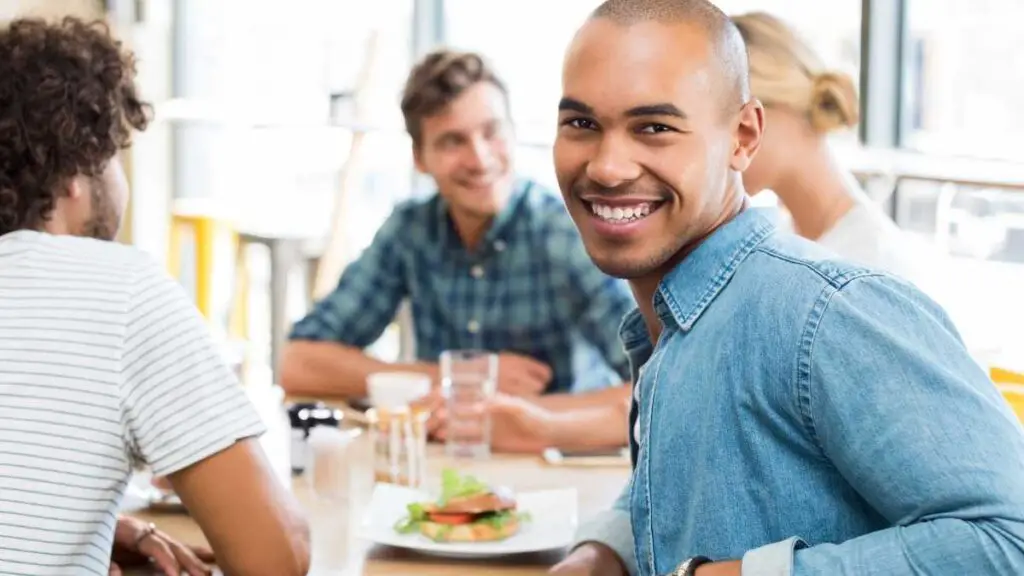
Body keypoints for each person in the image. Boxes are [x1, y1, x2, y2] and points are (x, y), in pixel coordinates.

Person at [545, 1, 1024, 575]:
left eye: (655, 128)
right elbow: (693, 487)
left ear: (743, 136)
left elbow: (1007, 540)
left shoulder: (826, 312)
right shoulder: (687, 316)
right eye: (582, 124)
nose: (608, 167)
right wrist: (602, 553)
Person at [0, 17, 309, 575]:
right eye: (117, 153)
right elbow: (276, 555)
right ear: (76, 173)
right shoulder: (119, 288)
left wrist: (95, 531)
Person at [281, 49, 635, 448]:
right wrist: (453, 379)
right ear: (420, 158)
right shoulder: (411, 229)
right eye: (453, 141)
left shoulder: (564, 233)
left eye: (492, 132)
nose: (480, 158)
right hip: (446, 472)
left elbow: (656, 385)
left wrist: (521, 421)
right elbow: (297, 362)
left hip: (561, 473)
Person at [732, 12, 943, 291]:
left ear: (781, 107)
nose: (720, 149)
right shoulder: (784, 237)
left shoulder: (872, 265)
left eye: (734, 124)